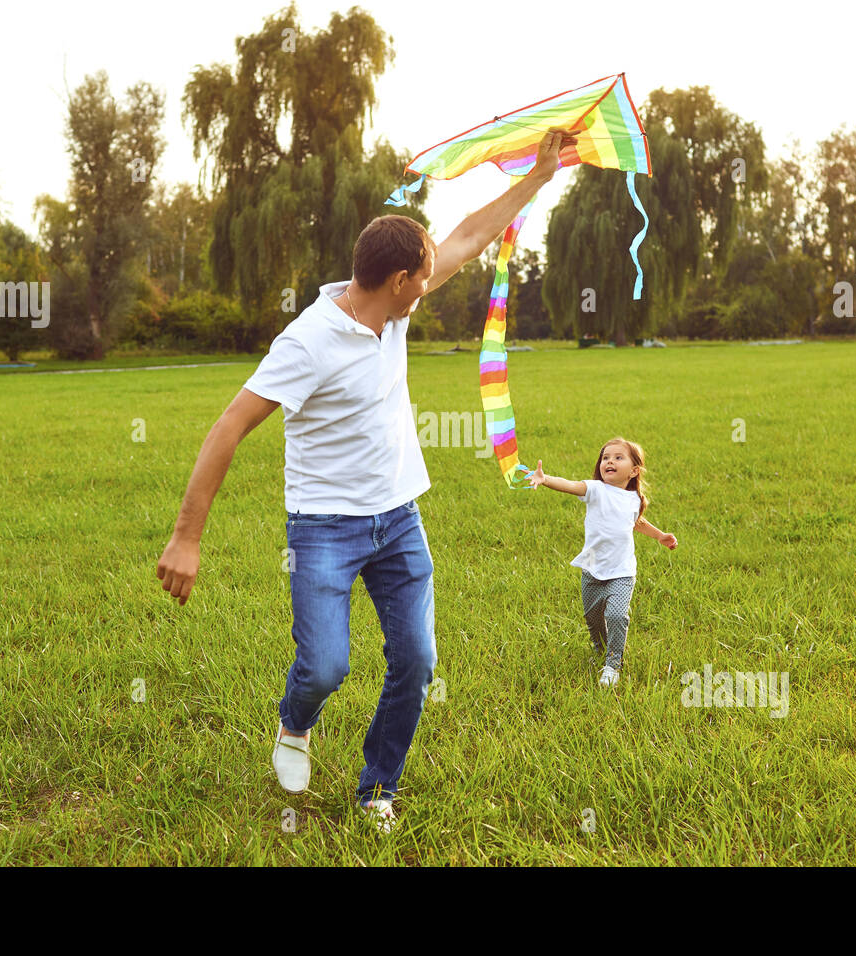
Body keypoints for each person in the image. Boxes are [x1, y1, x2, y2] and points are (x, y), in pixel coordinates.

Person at [156, 130, 577, 830]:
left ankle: (377, 787)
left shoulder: (393, 310)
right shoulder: (309, 341)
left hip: (399, 518)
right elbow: (228, 427)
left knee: (417, 661)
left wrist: (537, 178)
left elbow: (471, 234)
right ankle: (296, 722)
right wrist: (185, 539)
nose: (433, 278)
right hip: (324, 526)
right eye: (424, 274)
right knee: (325, 667)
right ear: (398, 282)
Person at [528, 437, 677, 686]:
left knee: (617, 616)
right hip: (593, 570)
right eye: (605, 458)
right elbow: (571, 485)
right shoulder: (596, 490)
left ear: (634, 470)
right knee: (593, 619)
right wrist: (546, 480)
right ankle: (600, 650)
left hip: (622, 571)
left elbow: (636, 522)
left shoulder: (634, 499)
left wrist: (660, 535)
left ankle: (613, 663)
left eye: (618, 457)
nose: (609, 461)